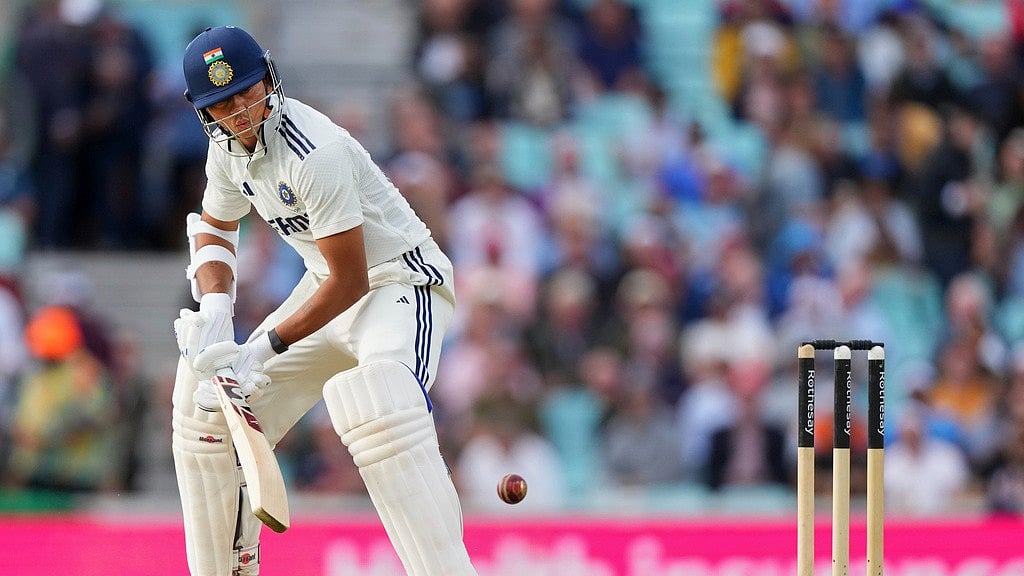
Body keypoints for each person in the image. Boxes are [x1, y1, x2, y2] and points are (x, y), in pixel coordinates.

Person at [171, 26, 477, 575]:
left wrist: (261, 348)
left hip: (401, 284)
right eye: (222, 103)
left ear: (268, 78)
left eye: (246, 91)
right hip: (325, 284)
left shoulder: (314, 151)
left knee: (377, 403)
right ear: (204, 110)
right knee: (205, 410)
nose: (240, 112)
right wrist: (215, 310)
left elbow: (351, 279)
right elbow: (215, 229)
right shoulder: (227, 150)